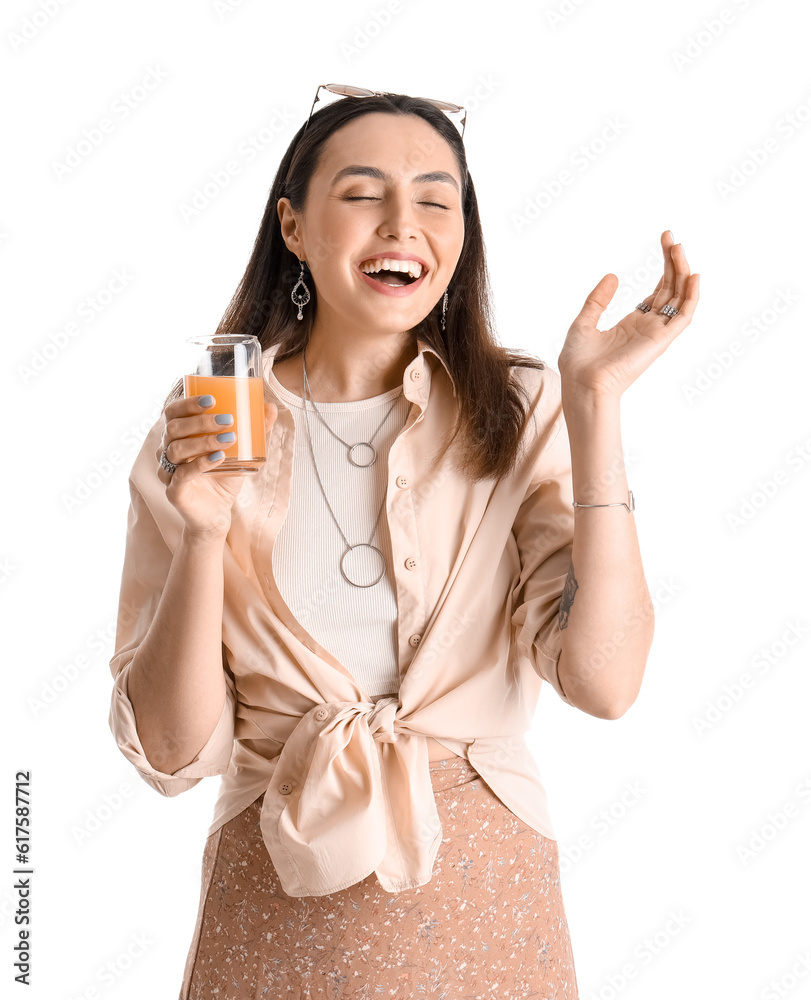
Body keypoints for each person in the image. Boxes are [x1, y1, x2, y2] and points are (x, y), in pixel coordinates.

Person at [107, 85, 699, 998]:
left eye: (434, 198)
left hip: (483, 893)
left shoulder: (521, 408)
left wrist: (595, 412)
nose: (403, 223)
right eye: (361, 193)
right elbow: (177, 755)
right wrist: (201, 533)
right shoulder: (204, 433)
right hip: (276, 897)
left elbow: (604, 683)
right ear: (294, 227)